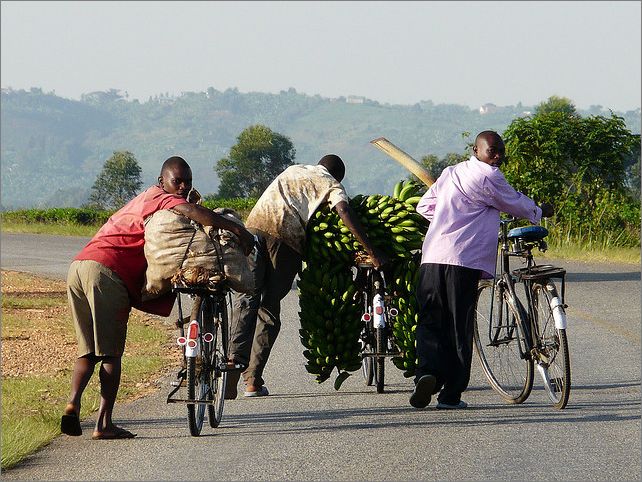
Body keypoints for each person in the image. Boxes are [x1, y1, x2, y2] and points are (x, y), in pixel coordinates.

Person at [60, 156, 254, 439]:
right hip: (105, 271)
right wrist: (236, 227)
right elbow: (196, 213)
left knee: (88, 350)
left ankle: (72, 403)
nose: (184, 186)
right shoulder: (161, 199)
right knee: (111, 353)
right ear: (161, 181)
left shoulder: (143, 200)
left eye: (188, 181)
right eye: (178, 181)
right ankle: (103, 424)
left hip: (79, 266)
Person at [410, 131, 553, 410]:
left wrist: (453, 216)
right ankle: (450, 394)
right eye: (492, 151)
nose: (497, 156)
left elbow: (424, 206)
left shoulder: (452, 172)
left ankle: (426, 372)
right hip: (461, 260)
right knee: (458, 327)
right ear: (476, 150)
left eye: (500, 151)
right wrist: (540, 210)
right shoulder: (489, 176)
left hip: (432, 257)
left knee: (430, 321)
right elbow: (515, 202)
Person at [226, 154, 389, 398]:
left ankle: (233, 362)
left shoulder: (294, 170)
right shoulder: (331, 184)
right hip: (285, 240)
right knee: (269, 309)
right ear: (338, 175)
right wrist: (371, 251)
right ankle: (252, 380)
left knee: (248, 298)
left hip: (252, 231)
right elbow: (343, 210)